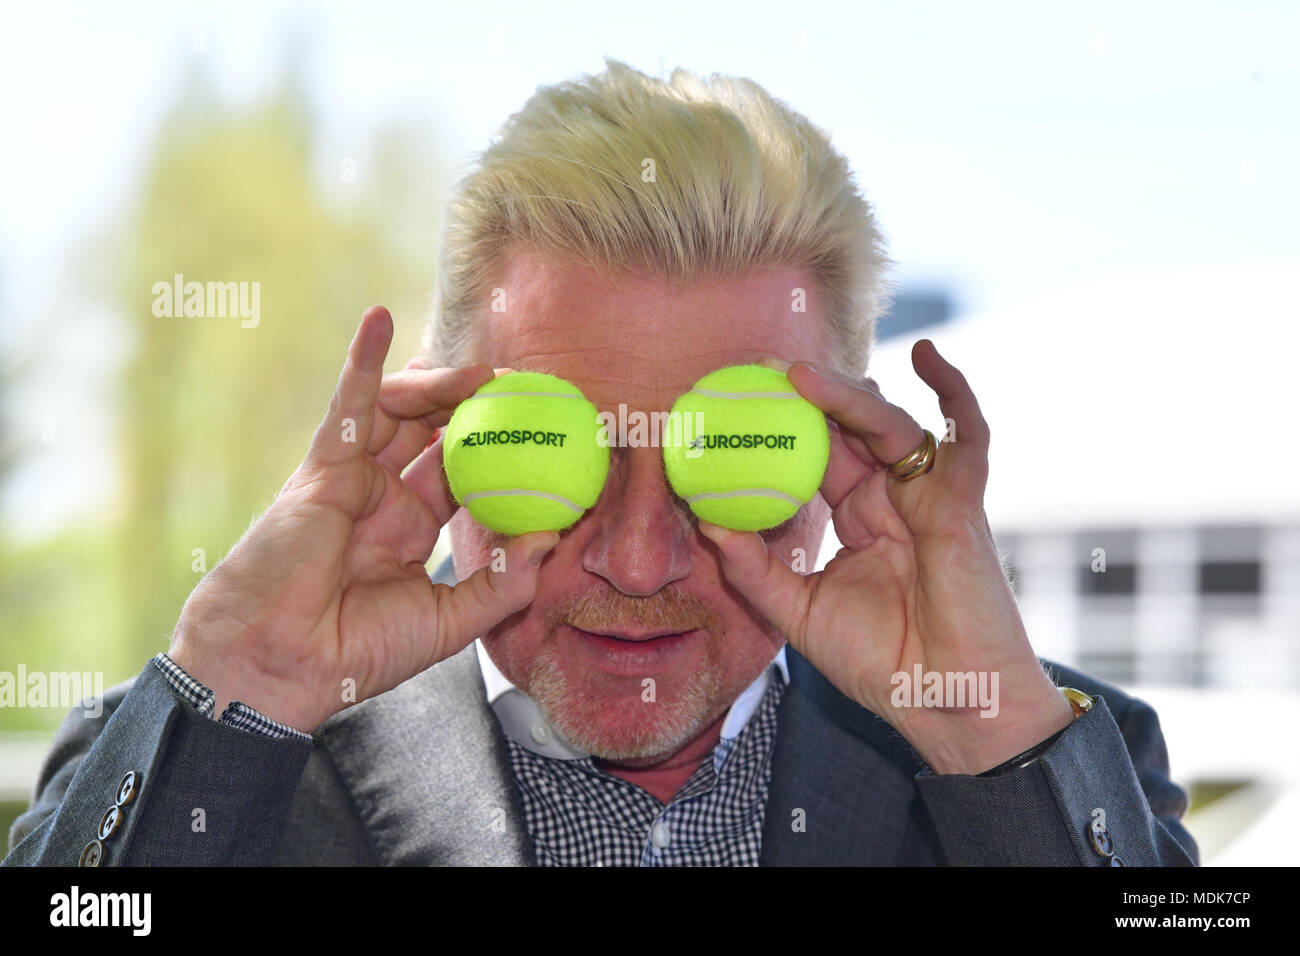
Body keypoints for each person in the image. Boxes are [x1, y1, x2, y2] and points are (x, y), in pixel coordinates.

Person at [5, 59, 1196, 866]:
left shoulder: (1050, 757)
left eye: (723, 462)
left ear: (839, 461)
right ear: (449, 439)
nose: (636, 557)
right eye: (559, 454)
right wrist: (242, 685)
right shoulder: (221, 751)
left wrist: (988, 740)